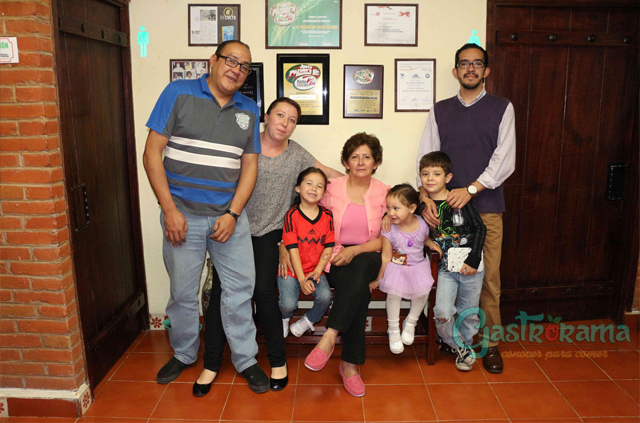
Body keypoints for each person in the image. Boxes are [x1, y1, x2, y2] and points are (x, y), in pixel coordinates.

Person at [142, 40, 269, 393]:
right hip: (181, 216)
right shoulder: (178, 93)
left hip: (228, 219)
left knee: (240, 290)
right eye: (231, 61)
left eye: (244, 67)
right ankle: (184, 354)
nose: (237, 70)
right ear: (212, 61)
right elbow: (152, 154)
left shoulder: (249, 109)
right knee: (182, 293)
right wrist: (169, 210)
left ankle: (245, 359)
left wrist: (233, 213)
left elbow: (250, 167)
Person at [199, 97, 342, 395]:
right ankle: (211, 363)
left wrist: (375, 191)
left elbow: (329, 175)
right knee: (222, 292)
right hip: (235, 227)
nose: (285, 123)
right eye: (280, 115)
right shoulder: (245, 144)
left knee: (264, 291)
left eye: (292, 120)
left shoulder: (296, 153)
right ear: (266, 116)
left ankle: (278, 361)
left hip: (270, 233)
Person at [415, 43, 515, 373]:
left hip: (485, 208)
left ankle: (490, 343)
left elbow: (504, 160)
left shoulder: (502, 108)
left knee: (487, 279)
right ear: (455, 71)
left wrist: (470, 189)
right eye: (464, 63)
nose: (470, 68)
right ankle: (453, 339)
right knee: (447, 275)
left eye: (477, 63)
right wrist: (425, 196)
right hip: (444, 213)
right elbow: (426, 158)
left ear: (486, 71)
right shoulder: (440, 110)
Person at [294, 133, 389, 398]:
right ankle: (349, 366)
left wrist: (355, 250)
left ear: (376, 163)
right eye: (354, 157)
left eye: (367, 157)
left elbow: (387, 237)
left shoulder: (385, 192)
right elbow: (306, 213)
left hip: (369, 254)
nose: (361, 162)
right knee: (357, 290)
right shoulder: (331, 188)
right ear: (346, 162)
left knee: (359, 268)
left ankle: (330, 335)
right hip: (333, 257)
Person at [421, 152, 486, 371]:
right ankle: (461, 347)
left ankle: (463, 347)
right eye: (425, 174)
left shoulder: (459, 200)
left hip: (471, 267)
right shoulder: (422, 207)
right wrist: (427, 240)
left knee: (470, 312)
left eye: (436, 174)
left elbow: (480, 229)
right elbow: (413, 228)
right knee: (442, 311)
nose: (430, 178)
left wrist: (473, 260)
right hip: (444, 269)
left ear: (448, 177)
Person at [369, 184, 436, 354]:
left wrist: (431, 243)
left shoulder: (422, 223)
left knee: (423, 291)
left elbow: (424, 239)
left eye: (396, 208)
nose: (391, 213)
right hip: (396, 268)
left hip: (418, 266)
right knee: (394, 293)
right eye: (388, 208)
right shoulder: (389, 229)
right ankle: (393, 329)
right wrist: (379, 279)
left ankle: (411, 322)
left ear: (412, 208)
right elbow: (386, 256)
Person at [278, 168, 334, 338]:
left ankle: (308, 321)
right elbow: (292, 250)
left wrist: (317, 271)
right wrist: (302, 279)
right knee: (288, 304)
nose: (313, 188)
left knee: (325, 297)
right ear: (298, 188)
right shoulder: (291, 215)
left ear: (324, 193)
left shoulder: (327, 216)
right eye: (309, 183)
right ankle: (284, 318)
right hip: (291, 270)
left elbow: (328, 247)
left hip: (315, 270)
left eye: (319, 186)